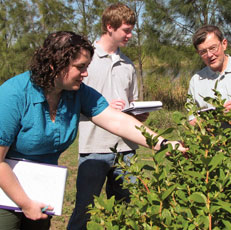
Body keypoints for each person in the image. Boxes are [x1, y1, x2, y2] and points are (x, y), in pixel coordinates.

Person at [0, 31, 187, 230]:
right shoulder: (13, 95)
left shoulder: (76, 92)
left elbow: (117, 121)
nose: (86, 74)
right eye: (80, 67)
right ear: (55, 65)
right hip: (6, 189)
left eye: (87, 67)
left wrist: (164, 144)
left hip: (42, 189)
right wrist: (25, 203)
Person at [67, 3, 149, 230]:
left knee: (126, 208)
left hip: (127, 150)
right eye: (126, 30)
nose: (130, 35)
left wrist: (138, 114)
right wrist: (102, 108)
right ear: (109, 27)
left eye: (132, 30)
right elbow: (73, 105)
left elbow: (133, 102)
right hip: (95, 147)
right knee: (84, 208)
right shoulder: (85, 61)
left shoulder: (128, 65)